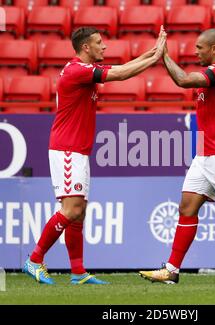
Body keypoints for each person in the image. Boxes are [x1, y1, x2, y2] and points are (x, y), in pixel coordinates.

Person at [23, 26, 167, 285]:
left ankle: (78, 273)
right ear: (86, 47)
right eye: (100, 42)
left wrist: (153, 52)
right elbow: (122, 74)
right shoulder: (79, 71)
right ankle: (34, 260)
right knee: (70, 209)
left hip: (78, 150)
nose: (105, 46)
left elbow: (123, 67)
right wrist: (154, 59)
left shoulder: (84, 71)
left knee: (79, 212)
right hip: (67, 149)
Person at [139, 28, 215, 285]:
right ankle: (171, 270)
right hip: (204, 154)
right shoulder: (212, 72)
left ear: (214, 49)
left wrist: (164, 56)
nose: (195, 52)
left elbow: (183, 80)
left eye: (199, 48)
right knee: (186, 207)